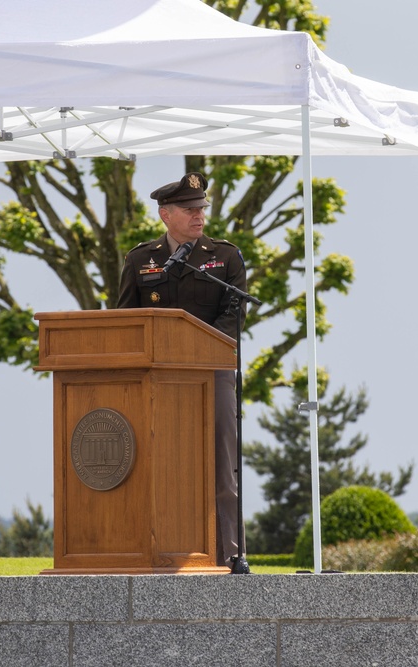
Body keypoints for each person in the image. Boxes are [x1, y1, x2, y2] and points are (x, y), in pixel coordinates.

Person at [117, 171, 247, 568]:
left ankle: (230, 553)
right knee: (154, 462)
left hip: (212, 374)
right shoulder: (142, 259)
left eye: (202, 208)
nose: (198, 216)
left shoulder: (225, 257)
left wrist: (196, 350)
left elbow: (234, 315)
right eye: (189, 210)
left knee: (222, 465)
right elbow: (125, 318)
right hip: (156, 379)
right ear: (165, 215)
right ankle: (151, 548)